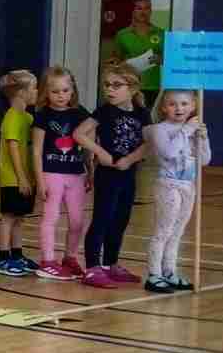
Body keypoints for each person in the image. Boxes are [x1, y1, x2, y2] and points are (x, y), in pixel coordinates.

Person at [76, 63, 148, 287]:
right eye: (107, 85)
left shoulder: (142, 113)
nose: (110, 90)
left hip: (128, 174)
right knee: (102, 219)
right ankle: (92, 268)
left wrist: (130, 159)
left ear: (133, 88)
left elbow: (148, 143)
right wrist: (101, 153)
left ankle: (110, 264)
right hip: (107, 175)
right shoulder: (104, 111)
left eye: (117, 85)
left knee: (121, 220)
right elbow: (78, 134)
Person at [144, 90, 209, 293]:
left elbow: (205, 160)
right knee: (163, 230)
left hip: (188, 185)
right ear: (164, 108)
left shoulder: (193, 130)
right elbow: (169, 153)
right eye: (172, 104)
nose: (179, 108)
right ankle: (154, 275)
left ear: (193, 106)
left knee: (178, 232)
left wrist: (203, 139)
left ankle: (169, 272)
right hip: (168, 184)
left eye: (184, 104)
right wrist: (186, 131)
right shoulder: (159, 129)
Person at [31, 66, 91, 282]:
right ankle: (47, 261)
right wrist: (40, 180)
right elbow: (36, 149)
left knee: (77, 220)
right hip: (51, 173)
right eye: (55, 91)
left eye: (65, 90)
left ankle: (70, 257)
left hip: (76, 174)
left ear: (72, 90)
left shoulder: (81, 113)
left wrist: (90, 171)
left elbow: (86, 146)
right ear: (46, 92)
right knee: (51, 217)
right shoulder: (43, 115)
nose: (61, 96)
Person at [0, 70, 40, 277]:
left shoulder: (27, 117)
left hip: (26, 177)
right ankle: (2, 258)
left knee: (20, 218)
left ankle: (17, 254)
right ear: (21, 92)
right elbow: (13, 148)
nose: (37, 91)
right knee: (9, 217)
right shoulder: (12, 118)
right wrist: (21, 177)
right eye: (34, 88)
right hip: (13, 178)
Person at [114, 0, 165, 98]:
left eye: (146, 8)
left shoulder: (160, 33)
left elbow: (170, 59)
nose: (143, 12)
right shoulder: (122, 34)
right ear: (133, 12)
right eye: (139, 8)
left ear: (150, 11)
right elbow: (115, 59)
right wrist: (120, 64)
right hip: (129, 84)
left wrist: (160, 59)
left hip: (152, 86)